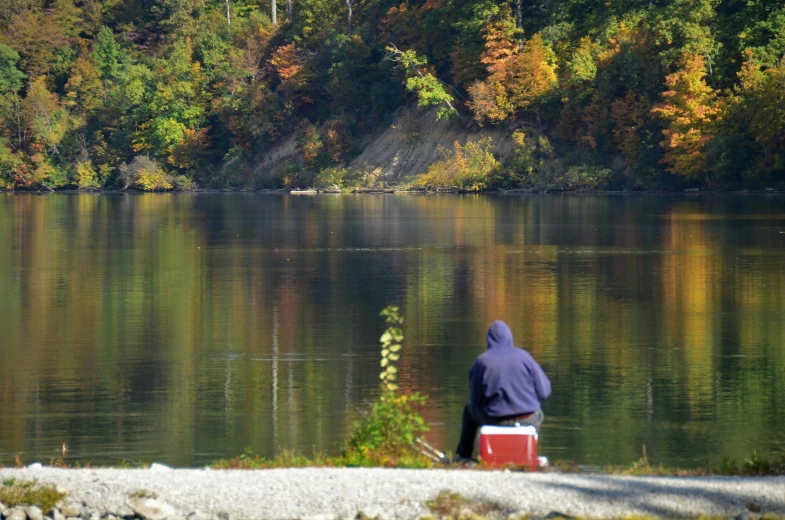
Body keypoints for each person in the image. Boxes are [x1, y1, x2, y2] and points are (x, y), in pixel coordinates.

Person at [454, 320, 552, 460]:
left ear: (489, 340)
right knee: (539, 413)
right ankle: (529, 453)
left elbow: (475, 401)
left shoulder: (482, 362)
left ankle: (463, 456)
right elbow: (545, 391)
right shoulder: (525, 357)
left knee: (469, 410)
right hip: (527, 420)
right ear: (510, 337)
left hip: (494, 420)